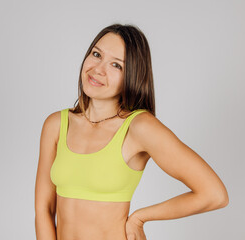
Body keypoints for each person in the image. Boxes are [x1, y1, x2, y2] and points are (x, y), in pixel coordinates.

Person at [34, 23, 229, 240]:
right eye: (96, 54)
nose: (98, 69)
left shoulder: (139, 127)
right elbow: (43, 209)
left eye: (116, 65)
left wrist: (140, 217)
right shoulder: (56, 124)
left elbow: (214, 194)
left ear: (132, 76)